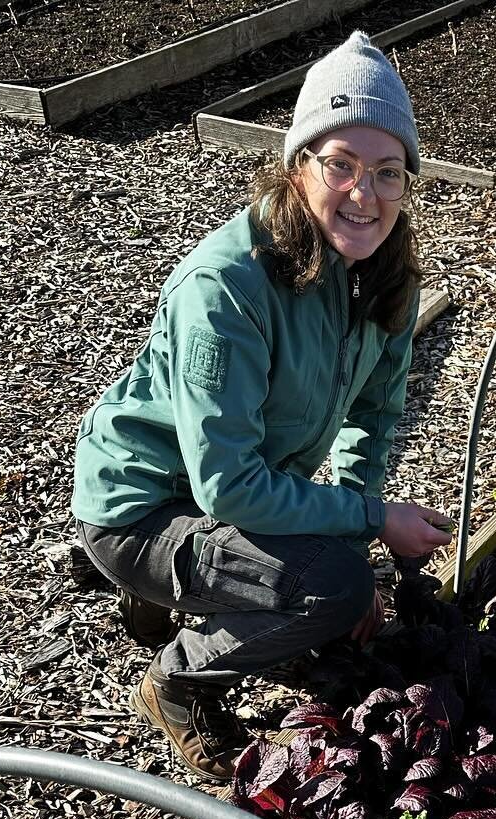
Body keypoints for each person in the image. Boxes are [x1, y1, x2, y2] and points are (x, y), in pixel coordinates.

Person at [71, 31, 454, 780]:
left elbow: (371, 420)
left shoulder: (385, 279)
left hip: (233, 494)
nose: (363, 194)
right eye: (339, 165)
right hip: (142, 504)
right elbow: (228, 488)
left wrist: (352, 521)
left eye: (387, 172)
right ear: (297, 166)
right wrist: (369, 532)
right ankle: (176, 682)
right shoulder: (226, 289)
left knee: (338, 579)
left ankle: (175, 593)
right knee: (333, 591)